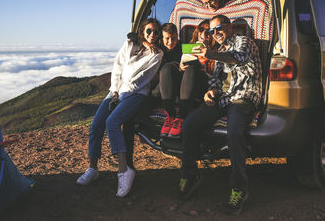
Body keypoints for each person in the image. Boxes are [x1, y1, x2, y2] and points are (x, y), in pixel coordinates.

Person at [178, 15, 262, 215]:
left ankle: (239, 188)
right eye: (211, 31)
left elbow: (237, 58)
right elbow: (216, 80)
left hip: (243, 97)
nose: (215, 34)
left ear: (230, 27)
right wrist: (211, 92)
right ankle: (190, 175)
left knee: (233, 133)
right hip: (224, 98)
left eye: (219, 28)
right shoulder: (218, 51)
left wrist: (211, 55)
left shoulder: (244, 42)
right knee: (189, 124)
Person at [76, 18, 163, 198]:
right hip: (116, 92)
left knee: (112, 122)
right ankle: (93, 168)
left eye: (156, 31)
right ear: (142, 31)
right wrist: (115, 90)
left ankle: (124, 171)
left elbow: (142, 78)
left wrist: (122, 94)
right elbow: (117, 67)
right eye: (149, 31)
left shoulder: (157, 54)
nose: (153, 35)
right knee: (96, 126)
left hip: (136, 94)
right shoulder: (130, 45)